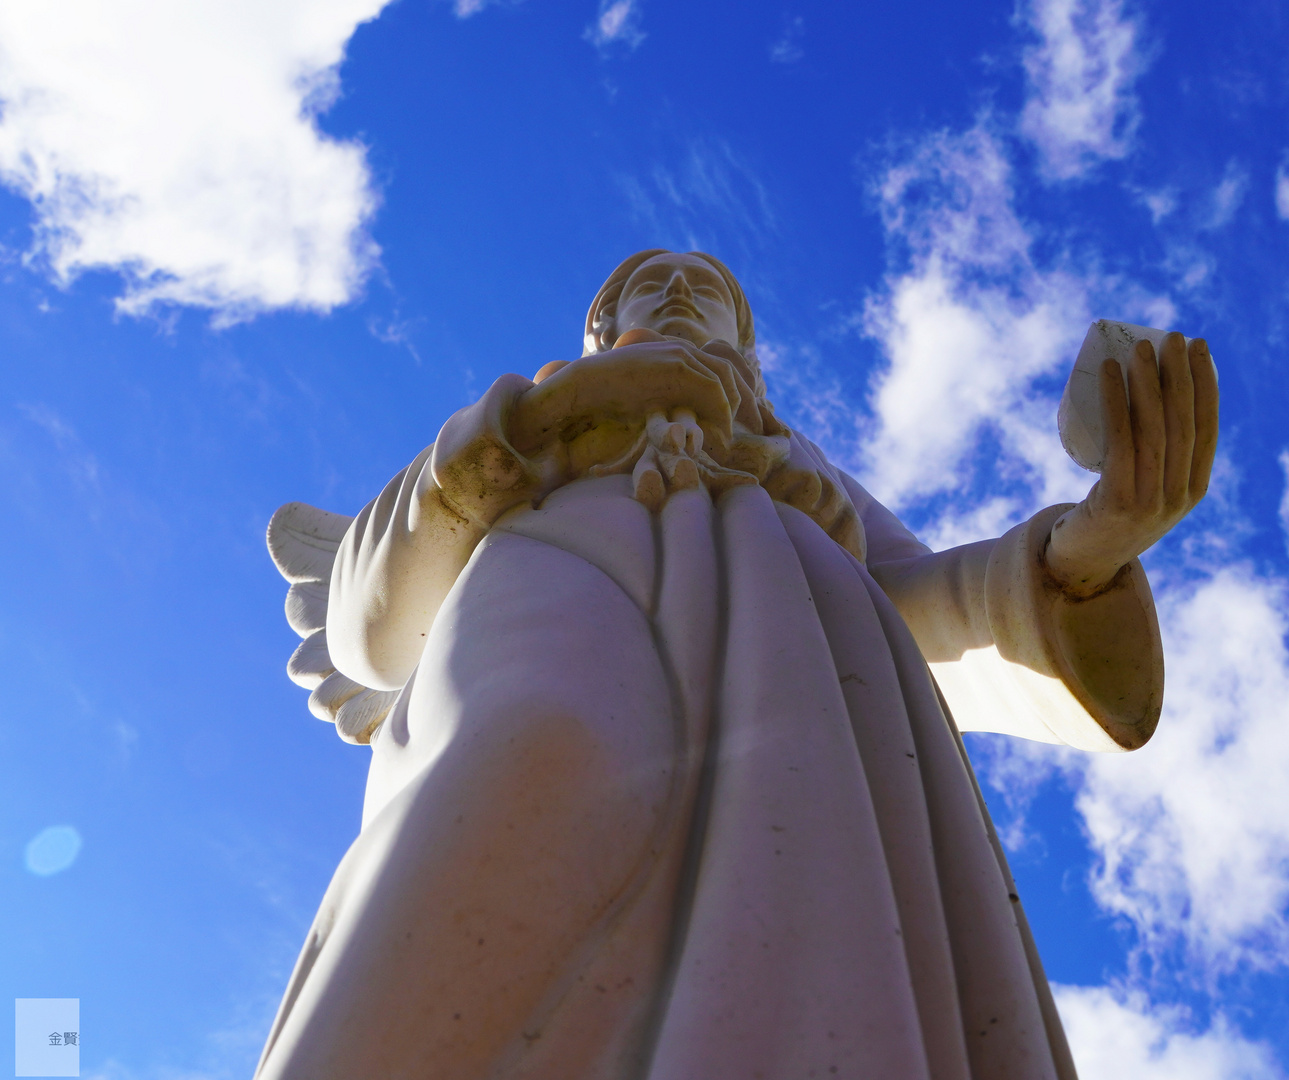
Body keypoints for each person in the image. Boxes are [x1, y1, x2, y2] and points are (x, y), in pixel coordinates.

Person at [256, 249, 1218, 1080]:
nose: (677, 294)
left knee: (805, 908)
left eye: (703, 289)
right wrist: (542, 426)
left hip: (802, 665)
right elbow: (366, 624)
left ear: (747, 342)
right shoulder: (524, 414)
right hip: (552, 588)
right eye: (651, 286)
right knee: (525, 755)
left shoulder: (796, 462)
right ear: (604, 328)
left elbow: (934, 612)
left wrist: (1086, 550)